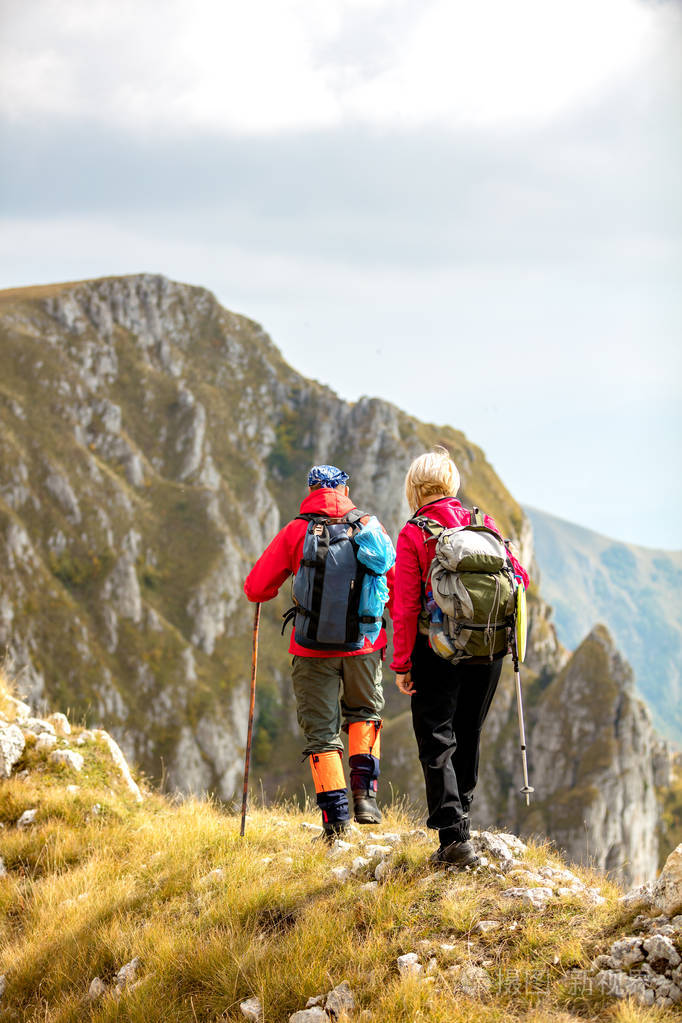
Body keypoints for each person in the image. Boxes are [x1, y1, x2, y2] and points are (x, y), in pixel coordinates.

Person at [391, 448, 529, 867]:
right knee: (469, 733)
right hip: (488, 648)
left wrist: (401, 664)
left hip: (436, 649)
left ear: (414, 489)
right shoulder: (483, 523)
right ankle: (462, 824)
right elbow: (518, 580)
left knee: (437, 739)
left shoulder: (415, 532)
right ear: (450, 484)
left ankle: (453, 839)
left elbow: (405, 605)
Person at [244, 464, 395, 841]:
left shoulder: (297, 530)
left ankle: (336, 824)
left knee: (322, 737)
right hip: (363, 646)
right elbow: (394, 582)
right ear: (345, 490)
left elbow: (256, 588)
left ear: (311, 489)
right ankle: (366, 798)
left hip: (311, 651)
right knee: (365, 714)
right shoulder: (368, 527)